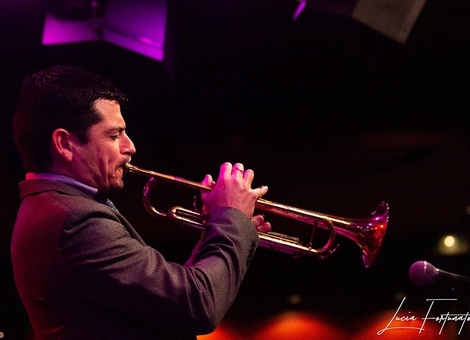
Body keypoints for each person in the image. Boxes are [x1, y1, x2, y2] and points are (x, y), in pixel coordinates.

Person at [10, 65, 271, 339]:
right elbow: (198, 305)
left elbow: (168, 307)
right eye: (114, 135)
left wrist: (225, 227)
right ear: (64, 144)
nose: (130, 146)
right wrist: (230, 217)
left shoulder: (49, 209)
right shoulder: (75, 221)